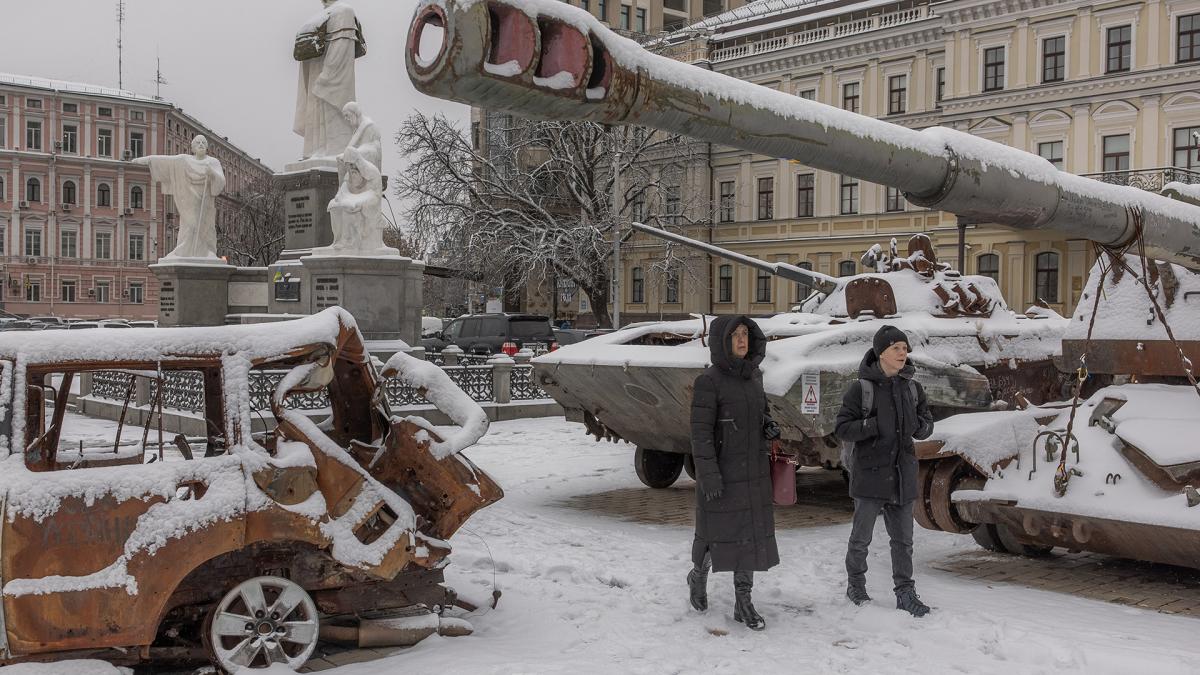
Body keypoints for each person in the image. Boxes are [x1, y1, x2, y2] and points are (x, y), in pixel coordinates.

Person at [687, 315, 780, 630]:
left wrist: (768, 425)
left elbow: (762, 412)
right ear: (721, 341)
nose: (742, 340)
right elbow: (699, 435)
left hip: (753, 472)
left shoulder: (754, 377)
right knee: (714, 538)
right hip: (722, 476)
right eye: (735, 335)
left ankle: (744, 602)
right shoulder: (708, 382)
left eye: (745, 333)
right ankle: (697, 576)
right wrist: (709, 476)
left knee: (749, 538)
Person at [835, 325, 934, 617]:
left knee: (903, 541)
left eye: (905, 348)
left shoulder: (912, 388)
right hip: (871, 475)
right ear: (882, 353)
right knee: (861, 537)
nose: (903, 353)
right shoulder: (861, 389)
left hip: (902, 475)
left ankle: (905, 591)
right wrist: (871, 426)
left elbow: (927, 422)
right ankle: (856, 584)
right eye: (896, 348)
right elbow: (842, 427)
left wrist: (922, 426)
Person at [131, 135, 224, 260]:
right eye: (198, 142)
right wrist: (146, 160)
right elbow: (166, 161)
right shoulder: (184, 160)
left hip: (205, 201)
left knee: (205, 228)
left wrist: (212, 173)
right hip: (189, 200)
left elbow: (221, 183)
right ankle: (184, 251)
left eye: (203, 142)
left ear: (207, 146)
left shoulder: (213, 162)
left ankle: (207, 252)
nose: (201, 144)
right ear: (192, 147)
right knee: (190, 226)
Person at [294, 0, 366, 160]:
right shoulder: (319, 17)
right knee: (317, 136)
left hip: (327, 81)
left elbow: (342, 51)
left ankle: (329, 152)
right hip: (317, 79)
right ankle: (317, 152)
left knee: (334, 129)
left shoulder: (344, 12)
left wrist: (326, 78)